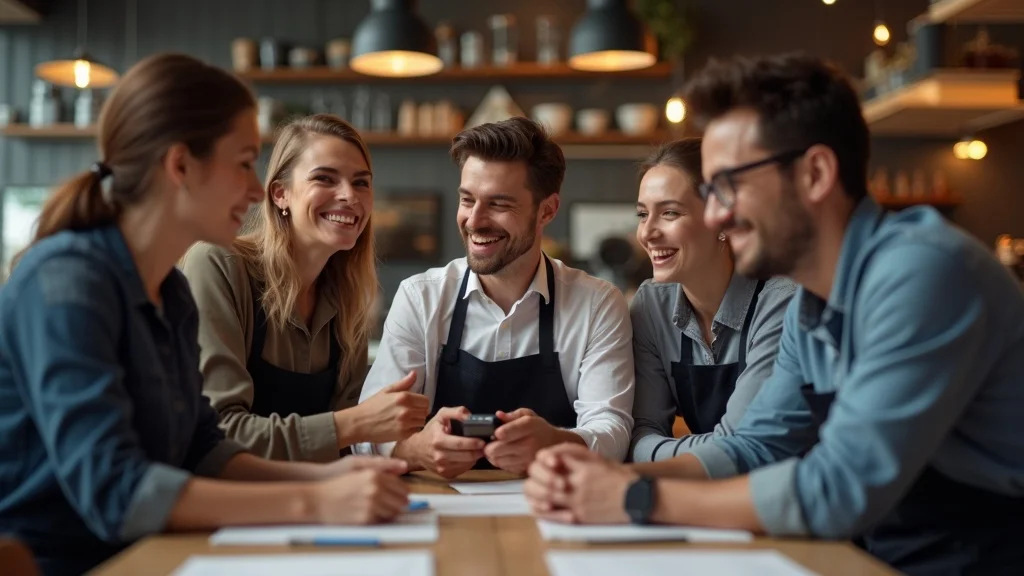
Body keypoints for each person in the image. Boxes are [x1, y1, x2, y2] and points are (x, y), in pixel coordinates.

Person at [524, 52, 1024, 576]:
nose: (716, 214)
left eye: (728, 186)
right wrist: (602, 475)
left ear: (814, 173)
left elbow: (840, 488)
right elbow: (756, 448)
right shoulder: (813, 302)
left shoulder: (923, 273)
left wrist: (635, 498)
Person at [0, 54, 410, 576]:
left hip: (161, 552)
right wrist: (316, 504)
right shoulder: (64, 282)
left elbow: (205, 448)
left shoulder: (167, 290)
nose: (254, 188)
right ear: (180, 166)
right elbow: (116, 491)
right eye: (243, 162)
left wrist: (332, 481)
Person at [353, 117, 635, 477]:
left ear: (546, 210)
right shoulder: (421, 297)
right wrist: (415, 450)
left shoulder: (596, 305)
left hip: (556, 503)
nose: (475, 221)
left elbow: (612, 432)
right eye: (467, 199)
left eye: (498, 204)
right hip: (442, 509)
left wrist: (553, 444)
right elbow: (369, 430)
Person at [179, 114, 429, 462]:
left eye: (361, 183)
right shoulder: (217, 264)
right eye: (325, 178)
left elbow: (347, 449)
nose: (349, 196)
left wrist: (419, 446)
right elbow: (218, 432)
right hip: (225, 506)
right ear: (281, 194)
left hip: (311, 500)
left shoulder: (351, 297)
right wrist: (354, 424)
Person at [630, 138, 795, 462]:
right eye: (642, 214)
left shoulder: (781, 303)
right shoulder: (651, 306)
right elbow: (638, 436)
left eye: (670, 213)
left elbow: (746, 444)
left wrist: (660, 455)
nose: (647, 232)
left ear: (723, 220)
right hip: (712, 490)